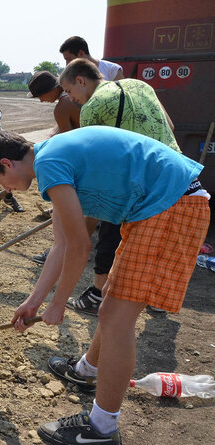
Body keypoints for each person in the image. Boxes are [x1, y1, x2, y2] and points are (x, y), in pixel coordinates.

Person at [0, 127, 209, 445]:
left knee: (117, 319)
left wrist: (57, 304)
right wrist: (34, 301)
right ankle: (88, 370)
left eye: (0, 181)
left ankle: (101, 429)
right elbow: (61, 245)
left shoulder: (50, 164)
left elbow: (80, 246)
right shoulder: (51, 158)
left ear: (7, 163)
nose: (5, 188)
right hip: (160, 206)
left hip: (170, 205)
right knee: (110, 309)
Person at [56, 58, 180, 316]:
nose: (71, 98)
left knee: (110, 232)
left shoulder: (92, 108)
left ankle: (98, 293)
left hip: (138, 184)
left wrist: (80, 221)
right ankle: (155, 300)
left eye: (69, 91)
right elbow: (170, 125)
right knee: (159, 243)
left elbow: (97, 166)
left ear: (81, 80)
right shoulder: (141, 86)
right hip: (178, 175)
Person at [26, 70, 81, 264]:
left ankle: (59, 251)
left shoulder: (62, 106)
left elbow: (67, 143)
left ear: (51, 90)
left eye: (40, 96)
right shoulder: (72, 97)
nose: (41, 101)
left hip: (80, 162)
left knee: (66, 209)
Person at [27, 71, 80, 135]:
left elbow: (67, 141)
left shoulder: (61, 108)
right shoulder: (76, 90)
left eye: (40, 96)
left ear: (50, 89)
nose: (41, 100)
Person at [59, 36, 124, 81]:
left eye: (69, 59)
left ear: (81, 53)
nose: (67, 64)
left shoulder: (112, 70)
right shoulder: (73, 76)